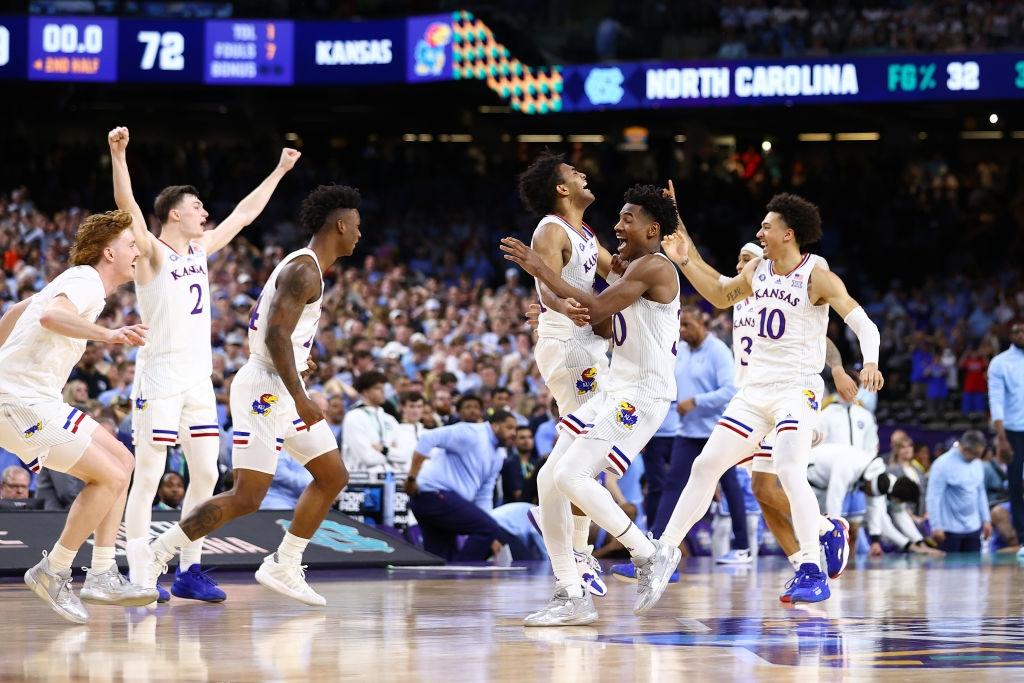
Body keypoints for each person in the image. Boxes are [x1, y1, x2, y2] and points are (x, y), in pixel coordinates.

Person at [656, 191, 884, 605]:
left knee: (788, 467)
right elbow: (719, 292)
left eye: (766, 226)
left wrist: (869, 361)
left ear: (788, 234)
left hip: (796, 388)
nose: (759, 231)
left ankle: (812, 570)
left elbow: (862, 322)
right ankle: (664, 553)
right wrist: (683, 258)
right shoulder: (758, 269)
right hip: (754, 390)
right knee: (707, 463)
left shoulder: (817, 275)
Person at [138, 184, 361, 607]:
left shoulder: (306, 266)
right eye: (356, 227)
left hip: (279, 381)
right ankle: (156, 554)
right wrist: (299, 393)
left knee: (333, 476)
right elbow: (276, 336)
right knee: (247, 496)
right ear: (340, 225)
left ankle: (285, 562)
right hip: (267, 390)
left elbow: (275, 336)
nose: (359, 235)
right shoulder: (305, 271)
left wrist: (297, 363)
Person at [109, 127, 300, 603]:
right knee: (149, 475)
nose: (205, 213)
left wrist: (279, 170)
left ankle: (189, 569)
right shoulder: (152, 252)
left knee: (207, 474)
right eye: (197, 208)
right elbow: (128, 206)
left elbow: (244, 213)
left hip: (198, 379)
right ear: (175, 214)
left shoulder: (200, 249)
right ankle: (138, 573)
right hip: (159, 377)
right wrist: (118, 154)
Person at [501, 183, 682, 623]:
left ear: (652, 229)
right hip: (612, 390)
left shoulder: (656, 267)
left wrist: (541, 270)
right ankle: (572, 593)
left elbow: (599, 305)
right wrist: (556, 314)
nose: (617, 226)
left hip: (643, 394)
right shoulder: (630, 271)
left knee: (572, 475)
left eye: (627, 219)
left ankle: (647, 553)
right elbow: (603, 325)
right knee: (549, 480)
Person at [0, 210, 156, 622]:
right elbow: (50, 316)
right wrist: (111, 335)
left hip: (36, 398)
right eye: (131, 244)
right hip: (17, 402)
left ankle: (103, 571)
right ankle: (53, 570)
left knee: (125, 462)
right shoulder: (86, 280)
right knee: (109, 476)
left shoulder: (72, 282)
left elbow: (17, 310)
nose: (138, 250)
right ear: (109, 252)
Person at [515, 151, 621, 599]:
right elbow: (544, 284)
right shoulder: (551, 229)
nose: (584, 174)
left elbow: (617, 272)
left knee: (582, 450)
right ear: (561, 188)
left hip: (588, 342)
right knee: (588, 445)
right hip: (568, 343)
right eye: (575, 173)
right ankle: (577, 552)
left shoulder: (585, 232)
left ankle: (567, 533)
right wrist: (562, 306)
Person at [403, 410, 521, 560]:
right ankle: (462, 573)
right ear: (496, 425)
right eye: (509, 428)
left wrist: (492, 534)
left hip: (439, 501)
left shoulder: (499, 455)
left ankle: (445, 579)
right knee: (488, 528)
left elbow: (484, 496)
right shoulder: (471, 432)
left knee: (442, 557)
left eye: (515, 429)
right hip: (433, 493)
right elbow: (427, 438)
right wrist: (412, 477)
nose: (514, 433)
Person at [807, 442, 936, 556]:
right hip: (807, 474)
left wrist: (876, 541)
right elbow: (834, 500)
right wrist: (834, 532)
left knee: (839, 533)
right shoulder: (850, 466)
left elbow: (875, 511)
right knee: (809, 531)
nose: (866, 494)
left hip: (822, 487)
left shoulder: (876, 476)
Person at [988, 322, 1024, 555]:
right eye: (1017, 331)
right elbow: (996, 402)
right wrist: (1001, 439)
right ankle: (1022, 537)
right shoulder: (1000, 362)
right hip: (1013, 431)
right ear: (1010, 335)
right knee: (1015, 485)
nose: (1021, 334)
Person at [927, 431, 993, 554]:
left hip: (973, 528)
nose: (978, 457)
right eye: (976, 454)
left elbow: (980, 493)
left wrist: (986, 520)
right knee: (950, 572)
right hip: (950, 530)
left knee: (974, 571)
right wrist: (936, 526)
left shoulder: (977, 463)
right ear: (964, 449)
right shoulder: (942, 464)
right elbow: (933, 497)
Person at [341, 371, 400, 474]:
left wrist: (382, 450)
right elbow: (367, 458)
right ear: (365, 391)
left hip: (390, 479)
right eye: (377, 388)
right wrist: (391, 453)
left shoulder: (389, 419)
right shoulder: (353, 417)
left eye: (383, 388)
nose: (383, 392)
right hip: (361, 482)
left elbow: (404, 455)